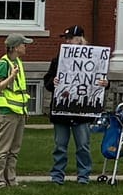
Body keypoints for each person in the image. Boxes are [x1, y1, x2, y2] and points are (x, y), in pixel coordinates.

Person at [42, 25, 107, 185]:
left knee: (83, 146)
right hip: (62, 111)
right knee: (60, 146)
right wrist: (53, 82)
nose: (67, 41)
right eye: (66, 38)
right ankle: (57, 176)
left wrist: (106, 83)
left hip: (82, 112)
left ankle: (83, 176)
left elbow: (100, 79)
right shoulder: (59, 59)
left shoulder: (94, 58)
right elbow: (48, 81)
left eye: (70, 38)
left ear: (80, 39)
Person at [0, 33, 32, 186]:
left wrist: (24, 111)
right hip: (6, 113)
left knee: (14, 150)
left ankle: (11, 180)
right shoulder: (4, 63)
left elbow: (20, 90)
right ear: (14, 47)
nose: (25, 47)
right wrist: (11, 77)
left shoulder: (18, 62)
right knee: (3, 149)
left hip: (19, 112)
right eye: (23, 44)